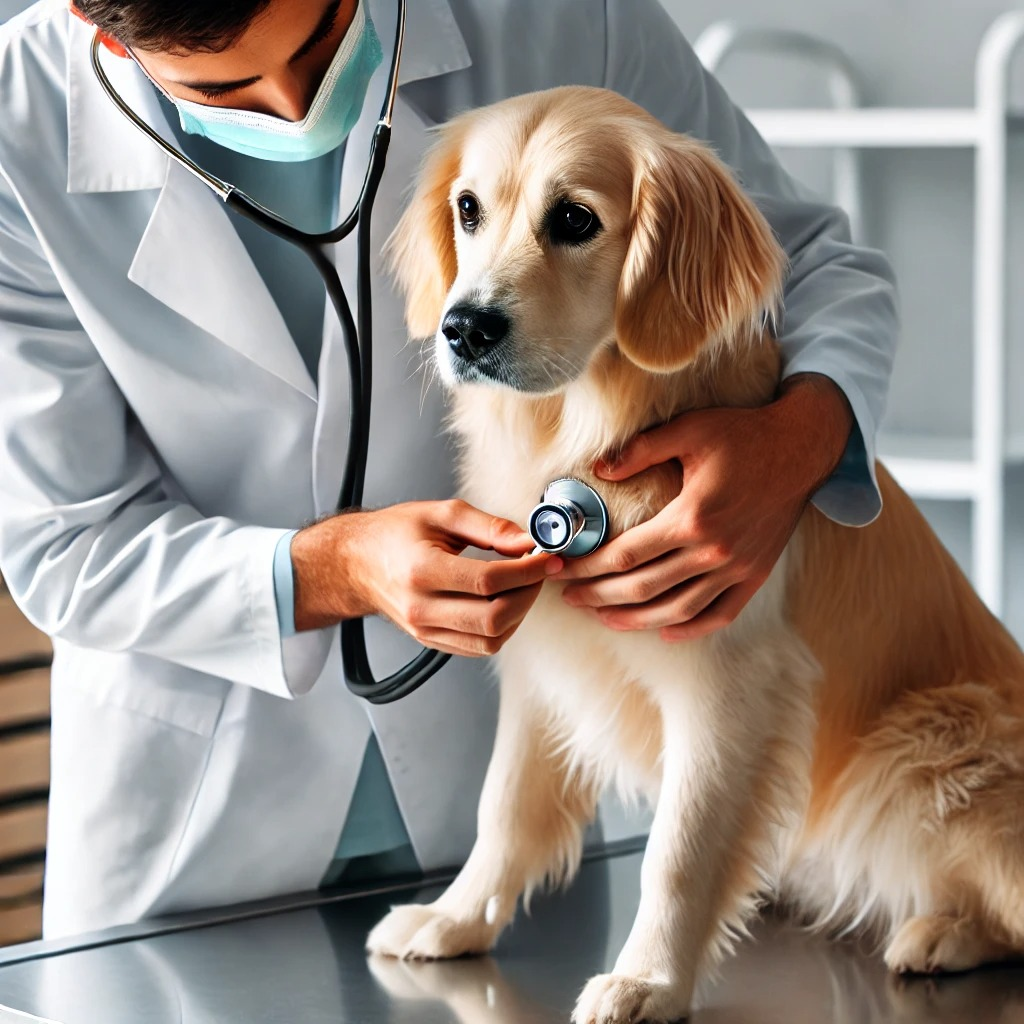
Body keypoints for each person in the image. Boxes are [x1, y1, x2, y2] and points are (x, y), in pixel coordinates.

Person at [0, 0, 897, 939]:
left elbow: (811, 263)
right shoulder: (20, 125)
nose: (291, 100)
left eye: (318, 45)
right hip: (193, 831)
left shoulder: (567, 18)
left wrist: (795, 446)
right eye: (224, 88)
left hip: (492, 799)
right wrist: (338, 568)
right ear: (97, 25)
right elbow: (65, 542)